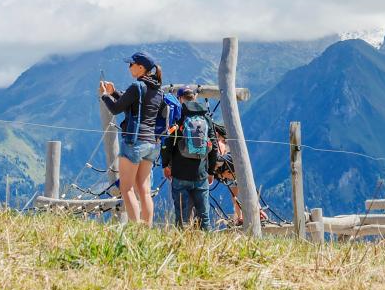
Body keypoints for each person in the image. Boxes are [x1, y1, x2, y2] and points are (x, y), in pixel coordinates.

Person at [99, 51, 163, 225]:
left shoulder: (137, 86)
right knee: (144, 190)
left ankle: (135, 229)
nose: (129, 67)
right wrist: (114, 92)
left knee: (126, 188)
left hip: (134, 141)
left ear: (141, 67)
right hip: (151, 143)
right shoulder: (158, 89)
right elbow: (134, 104)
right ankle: (147, 229)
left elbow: (115, 109)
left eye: (131, 64)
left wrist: (105, 95)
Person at [161, 85, 218, 231]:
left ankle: (182, 243)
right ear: (194, 98)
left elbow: (167, 143)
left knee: (182, 218)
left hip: (180, 174)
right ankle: (207, 242)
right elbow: (214, 147)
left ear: (180, 99)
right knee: (204, 217)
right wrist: (211, 171)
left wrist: (166, 165)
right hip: (201, 175)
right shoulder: (206, 118)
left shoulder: (178, 117)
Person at [212, 123, 267, 225]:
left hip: (233, 172)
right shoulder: (227, 143)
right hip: (233, 172)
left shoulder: (221, 143)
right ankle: (253, 214)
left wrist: (220, 173)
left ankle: (249, 215)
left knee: (238, 195)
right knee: (240, 194)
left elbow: (219, 159)